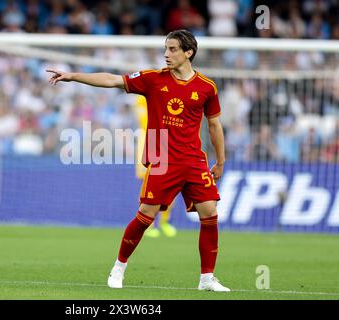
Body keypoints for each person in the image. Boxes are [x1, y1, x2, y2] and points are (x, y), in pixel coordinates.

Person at [47, 29, 230, 292]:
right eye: (166, 48)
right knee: (146, 214)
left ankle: (207, 279)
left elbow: (214, 125)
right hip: (162, 157)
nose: (166, 54)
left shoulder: (206, 87)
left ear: (188, 52)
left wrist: (220, 162)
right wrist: (74, 76)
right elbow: (112, 80)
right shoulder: (152, 79)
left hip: (193, 160)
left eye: (173, 49)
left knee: (210, 213)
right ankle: (118, 267)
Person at [134, 95, 177, 238]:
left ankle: (164, 221)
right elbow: (144, 119)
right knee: (147, 183)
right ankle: (148, 223)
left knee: (171, 182)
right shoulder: (142, 96)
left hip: (167, 138)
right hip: (148, 138)